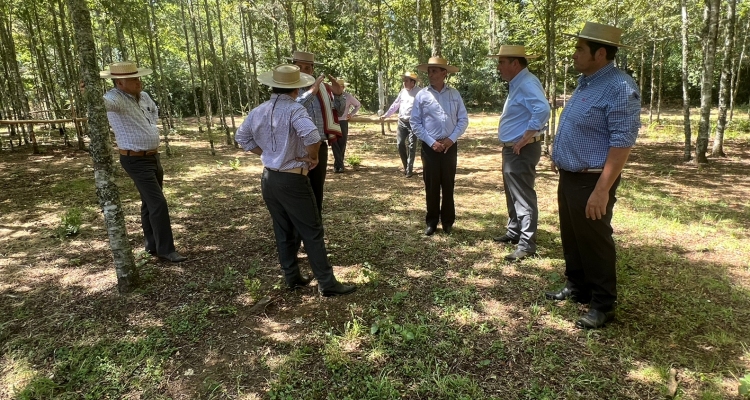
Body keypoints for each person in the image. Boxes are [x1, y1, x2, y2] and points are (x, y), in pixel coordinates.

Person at [545, 22, 641, 329]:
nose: (574, 54)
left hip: (593, 179)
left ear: (600, 53)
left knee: (595, 240)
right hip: (571, 175)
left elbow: (622, 143)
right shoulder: (586, 81)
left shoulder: (620, 87)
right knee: (572, 236)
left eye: (579, 49)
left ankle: (603, 304)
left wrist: (602, 190)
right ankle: (577, 288)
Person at [235, 64, 356, 297]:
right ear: (295, 89)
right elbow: (311, 134)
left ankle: (292, 277)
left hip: (269, 178)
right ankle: (326, 281)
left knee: (283, 230)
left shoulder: (258, 110)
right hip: (292, 179)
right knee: (312, 230)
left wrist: (267, 154)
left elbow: (242, 137)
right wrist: (312, 157)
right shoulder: (295, 110)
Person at [99, 61, 186, 263]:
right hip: (134, 160)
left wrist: (149, 130)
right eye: (133, 79)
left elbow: (153, 111)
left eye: (138, 77)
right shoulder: (114, 98)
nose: (139, 82)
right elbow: (102, 104)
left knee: (149, 203)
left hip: (153, 156)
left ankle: (152, 245)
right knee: (158, 203)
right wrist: (88, 92)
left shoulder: (144, 96)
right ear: (119, 83)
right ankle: (166, 249)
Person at [488, 46, 550, 261]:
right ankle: (515, 231)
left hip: (521, 149)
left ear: (515, 63)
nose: (499, 67)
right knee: (513, 192)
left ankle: (526, 243)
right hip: (514, 149)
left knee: (522, 194)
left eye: (502, 62)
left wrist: (525, 137)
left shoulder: (526, 82)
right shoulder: (519, 83)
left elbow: (542, 109)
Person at [410, 57, 469, 236]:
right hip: (430, 147)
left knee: (448, 184)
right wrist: (431, 142)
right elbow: (415, 122)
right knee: (432, 184)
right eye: (429, 71)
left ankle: (448, 222)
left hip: (449, 146)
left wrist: (451, 139)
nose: (431, 74)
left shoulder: (454, 94)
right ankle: (432, 221)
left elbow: (463, 119)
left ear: (444, 73)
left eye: (435, 71)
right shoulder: (422, 95)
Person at [287, 51, 346, 215]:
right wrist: (311, 91)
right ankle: (297, 233)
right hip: (296, 148)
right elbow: (294, 109)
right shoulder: (289, 88)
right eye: (299, 67)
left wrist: (339, 94)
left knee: (316, 191)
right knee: (297, 192)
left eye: (307, 68)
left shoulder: (323, 89)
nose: (303, 71)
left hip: (319, 147)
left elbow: (339, 111)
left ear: (312, 70)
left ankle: (314, 233)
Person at [381, 72, 422, 178]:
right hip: (402, 122)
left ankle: (409, 169)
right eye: (404, 80)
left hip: (414, 123)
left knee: (412, 146)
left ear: (413, 82)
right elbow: (395, 104)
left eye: (406, 80)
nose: (404, 83)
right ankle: (406, 166)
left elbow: (425, 107)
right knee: (400, 144)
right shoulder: (402, 92)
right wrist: (386, 115)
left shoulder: (420, 93)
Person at [332, 78, 361, 173]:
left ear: (343, 87)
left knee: (342, 143)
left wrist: (351, 114)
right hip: (333, 122)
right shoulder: (330, 96)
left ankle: (338, 165)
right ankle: (339, 165)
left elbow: (357, 105)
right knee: (334, 143)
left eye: (340, 86)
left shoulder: (348, 96)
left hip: (343, 121)